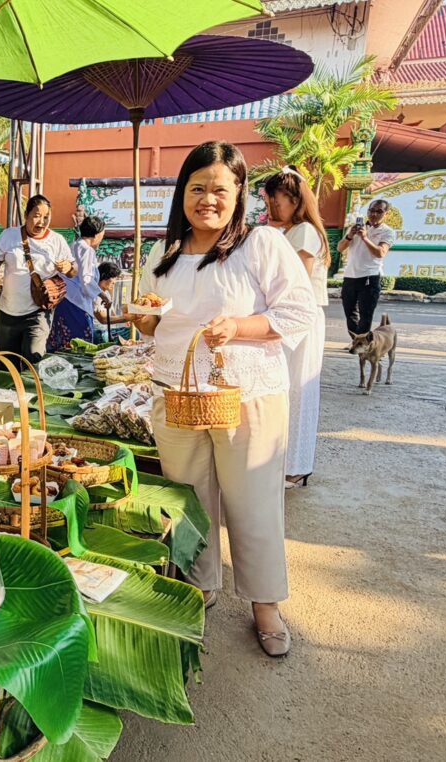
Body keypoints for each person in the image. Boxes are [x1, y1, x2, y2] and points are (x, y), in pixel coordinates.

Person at [125, 142, 315, 657]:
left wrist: (239, 327)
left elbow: (299, 312)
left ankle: (266, 604)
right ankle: (201, 582)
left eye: (219, 190)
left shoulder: (261, 244)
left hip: (246, 395)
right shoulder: (163, 255)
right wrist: (142, 318)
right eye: (197, 188)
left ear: (239, 194)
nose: (207, 199)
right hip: (176, 395)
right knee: (189, 500)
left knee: (254, 505)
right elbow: (153, 324)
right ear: (181, 193)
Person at [265, 167, 330, 489]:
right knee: (286, 390)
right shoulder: (291, 232)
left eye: (275, 201)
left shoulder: (303, 232)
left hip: (301, 319)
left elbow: (297, 283)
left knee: (298, 391)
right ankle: (285, 463)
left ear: (294, 200)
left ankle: (296, 467)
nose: (271, 208)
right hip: (290, 317)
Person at [0, 194, 76, 364]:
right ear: (26, 215)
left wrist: (68, 267)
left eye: (46, 217)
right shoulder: (9, 236)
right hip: (8, 312)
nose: (41, 222)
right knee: (7, 365)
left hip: (39, 311)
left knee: (34, 358)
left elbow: (73, 271)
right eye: (37, 216)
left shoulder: (57, 241)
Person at [337, 199, 394, 336]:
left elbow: (380, 253)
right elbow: (340, 248)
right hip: (350, 275)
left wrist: (365, 238)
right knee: (350, 313)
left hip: (369, 277)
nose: (374, 214)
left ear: (386, 214)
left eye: (379, 211)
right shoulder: (356, 228)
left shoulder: (387, 232)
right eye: (371, 210)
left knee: (365, 315)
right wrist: (350, 236)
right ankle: (356, 342)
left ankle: (362, 344)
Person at [48, 215, 105, 351]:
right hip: (77, 304)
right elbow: (87, 280)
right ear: (97, 234)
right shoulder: (87, 250)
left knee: (63, 345)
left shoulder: (74, 245)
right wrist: (103, 295)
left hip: (65, 301)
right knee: (80, 347)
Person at [92, 261, 126, 344]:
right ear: (104, 276)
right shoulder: (96, 295)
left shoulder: (106, 293)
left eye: (116, 278)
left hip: (108, 329)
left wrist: (124, 321)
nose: (115, 281)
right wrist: (126, 318)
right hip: (98, 331)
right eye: (113, 277)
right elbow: (103, 319)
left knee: (131, 331)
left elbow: (113, 314)